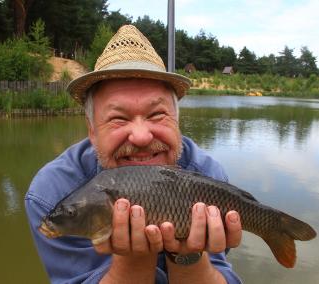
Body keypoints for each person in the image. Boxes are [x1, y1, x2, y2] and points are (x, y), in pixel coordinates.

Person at [25, 25, 243, 284]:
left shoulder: (206, 174)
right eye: (118, 118)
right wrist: (135, 258)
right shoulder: (52, 192)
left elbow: (219, 272)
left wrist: (188, 255)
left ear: (176, 121)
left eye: (156, 115)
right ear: (91, 130)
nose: (141, 136)